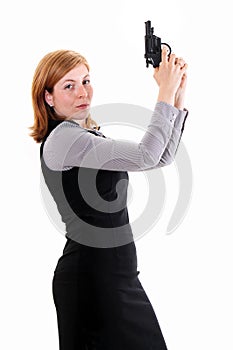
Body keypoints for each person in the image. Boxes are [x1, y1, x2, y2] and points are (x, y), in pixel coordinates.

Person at [29, 47, 188, 350]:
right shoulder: (65, 138)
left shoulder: (86, 136)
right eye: (69, 85)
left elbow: (160, 158)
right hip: (92, 280)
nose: (82, 92)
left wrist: (176, 95)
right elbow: (146, 155)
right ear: (48, 97)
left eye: (86, 81)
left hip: (115, 276)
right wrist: (164, 92)